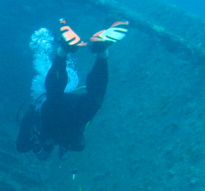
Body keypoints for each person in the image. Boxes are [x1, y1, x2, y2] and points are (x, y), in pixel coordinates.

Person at [16, 19, 128, 160]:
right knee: (61, 94)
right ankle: (86, 50)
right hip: (69, 111)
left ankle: (92, 52)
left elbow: (21, 146)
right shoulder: (64, 140)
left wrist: (39, 143)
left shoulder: (37, 121)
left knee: (93, 99)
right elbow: (79, 145)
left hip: (59, 116)